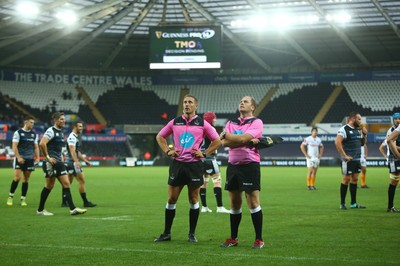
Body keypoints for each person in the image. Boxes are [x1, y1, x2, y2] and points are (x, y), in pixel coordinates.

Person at [154, 95, 221, 243]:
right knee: (172, 199)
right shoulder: (175, 122)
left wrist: (204, 153)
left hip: (194, 165)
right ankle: (166, 233)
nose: (187, 104)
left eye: (190, 102)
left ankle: (191, 234)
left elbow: (217, 140)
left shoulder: (202, 123)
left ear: (196, 105)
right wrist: (168, 151)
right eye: (185, 102)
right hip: (177, 165)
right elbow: (160, 137)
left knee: (193, 198)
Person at [219, 96, 265, 249]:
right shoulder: (231, 122)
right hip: (233, 166)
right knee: (234, 203)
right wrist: (236, 140)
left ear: (252, 107)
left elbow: (243, 138)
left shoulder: (256, 122)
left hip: (249, 165)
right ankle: (233, 238)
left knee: (252, 202)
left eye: (245, 101)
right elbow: (223, 143)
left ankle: (259, 239)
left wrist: (228, 136)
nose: (241, 103)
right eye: (240, 101)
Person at [37, 112, 87, 216]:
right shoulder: (51, 131)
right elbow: (42, 143)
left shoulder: (60, 132)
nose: (63, 121)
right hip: (50, 163)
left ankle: (72, 209)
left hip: (59, 162)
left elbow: (57, 148)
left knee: (66, 183)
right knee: (49, 186)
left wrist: (61, 157)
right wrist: (48, 157)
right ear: (55, 120)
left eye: (64, 119)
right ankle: (40, 210)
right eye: (61, 119)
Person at [335, 112, 367, 210]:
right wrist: (345, 156)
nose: (360, 121)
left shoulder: (358, 130)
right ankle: (342, 203)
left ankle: (353, 203)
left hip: (357, 159)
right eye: (359, 119)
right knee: (346, 179)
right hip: (348, 160)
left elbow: (362, 144)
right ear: (353, 119)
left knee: (355, 179)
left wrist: (364, 135)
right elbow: (337, 142)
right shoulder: (344, 129)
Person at [200, 112, 230, 214]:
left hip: (201, 158)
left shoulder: (199, 128)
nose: (215, 120)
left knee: (203, 182)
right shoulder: (211, 129)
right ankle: (220, 207)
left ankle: (204, 207)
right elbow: (216, 142)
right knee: (217, 180)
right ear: (210, 119)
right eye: (214, 118)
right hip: (210, 158)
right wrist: (222, 137)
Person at [6, 116, 40, 207]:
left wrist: (38, 157)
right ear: (26, 122)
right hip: (20, 158)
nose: (32, 124)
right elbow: (14, 146)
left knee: (26, 179)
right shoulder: (18, 133)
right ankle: (10, 196)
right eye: (31, 122)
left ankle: (23, 199)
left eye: (33, 123)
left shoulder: (34, 134)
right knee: (17, 178)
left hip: (29, 159)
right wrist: (18, 157)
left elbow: (36, 147)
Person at [62, 121, 96, 208]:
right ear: (74, 127)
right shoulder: (72, 137)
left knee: (68, 183)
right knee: (81, 181)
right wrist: (76, 162)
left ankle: (64, 202)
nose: (82, 128)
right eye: (80, 126)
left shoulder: (74, 137)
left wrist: (85, 160)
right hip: (72, 163)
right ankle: (85, 202)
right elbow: (72, 151)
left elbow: (77, 152)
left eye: (82, 126)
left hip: (69, 162)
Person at [385, 112, 400, 212]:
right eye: (396, 119)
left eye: (399, 119)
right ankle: (390, 206)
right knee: (394, 182)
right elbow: (391, 144)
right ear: (393, 120)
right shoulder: (391, 131)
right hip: (394, 158)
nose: (398, 120)